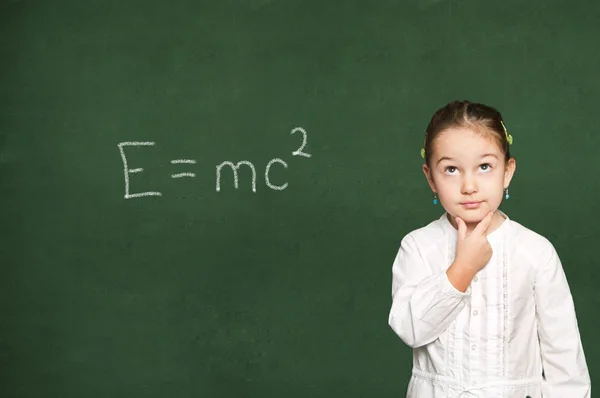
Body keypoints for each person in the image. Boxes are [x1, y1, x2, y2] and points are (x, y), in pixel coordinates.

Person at [387, 100, 591, 397]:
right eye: (451, 169)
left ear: (507, 172)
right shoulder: (418, 246)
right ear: (430, 177)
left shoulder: (535, 251)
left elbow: (564, 358)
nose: (469, 185)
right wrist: (463, 267)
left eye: (484, 167)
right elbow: (409, 328)